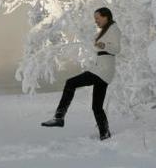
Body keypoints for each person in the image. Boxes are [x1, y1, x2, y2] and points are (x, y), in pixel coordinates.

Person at [41, 7, 121, 140]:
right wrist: (101, 45)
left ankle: (59, 117)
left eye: (97, 18)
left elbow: (117, 49)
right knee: (97, 107)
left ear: (106, 16)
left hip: (102, 70)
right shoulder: (105, 30)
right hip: (103, 70)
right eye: (95, 19)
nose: (96, 21)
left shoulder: (114, 29)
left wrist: (103, 46)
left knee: (70, 83)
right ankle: (105, 134)